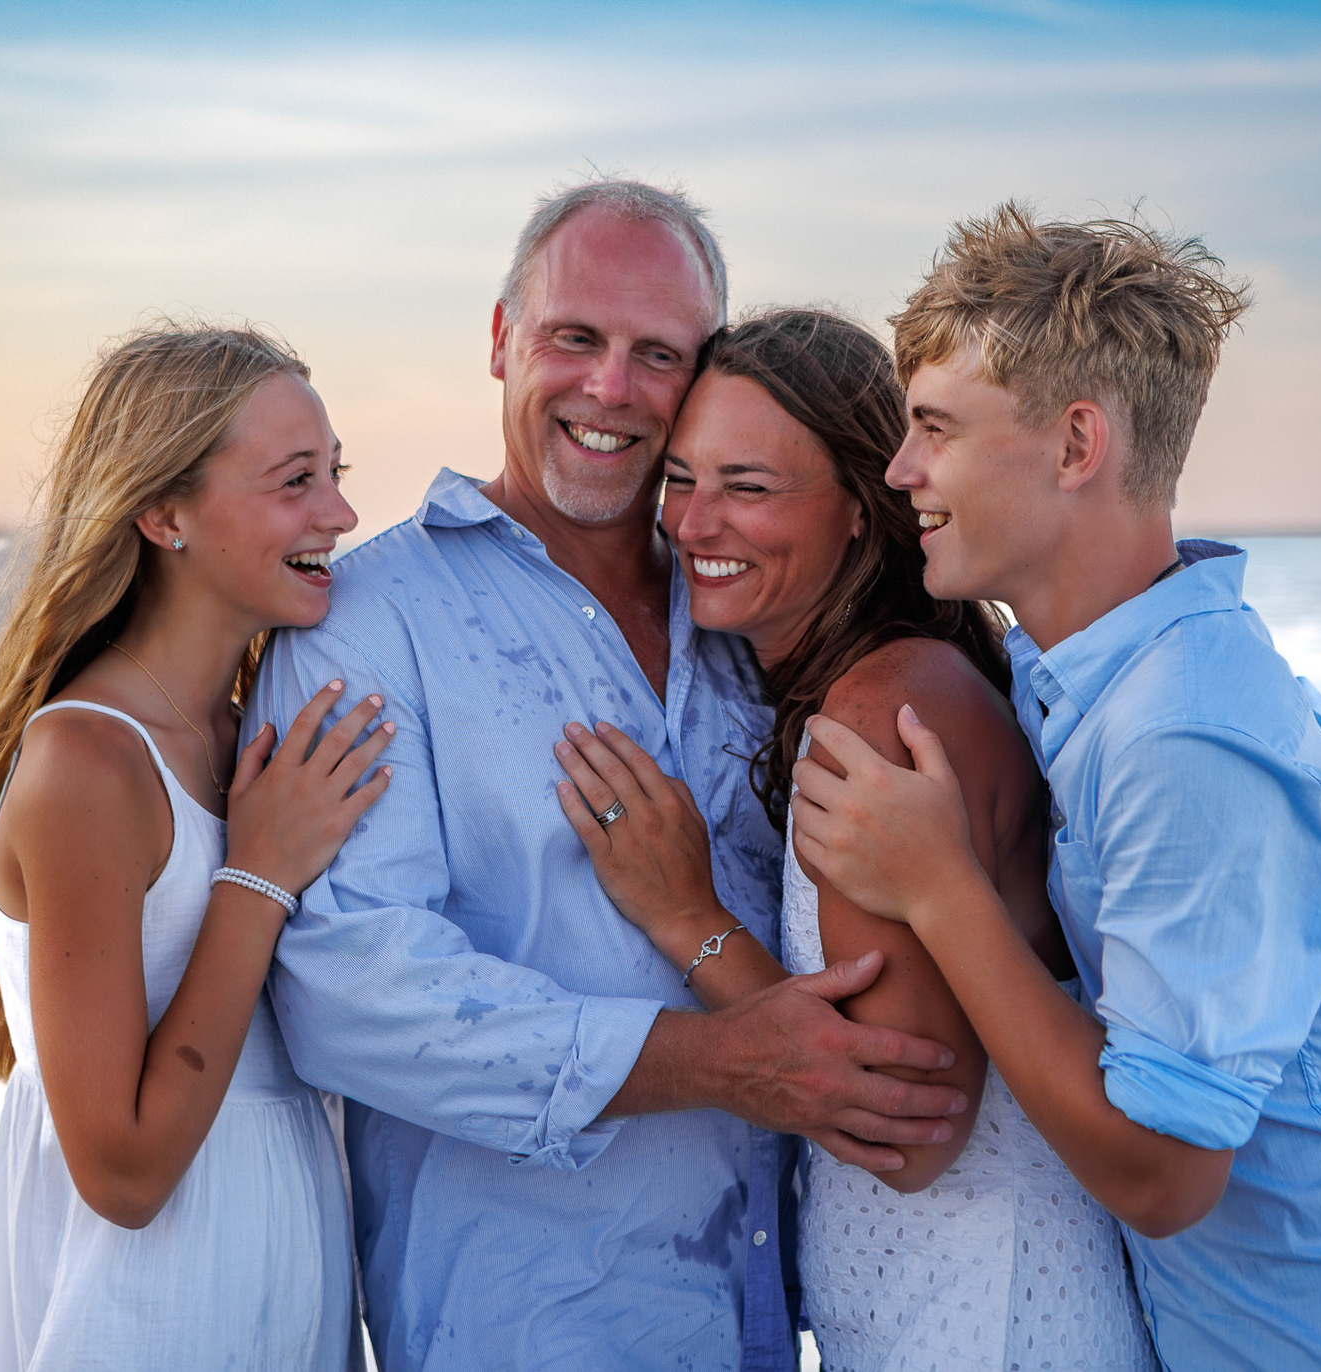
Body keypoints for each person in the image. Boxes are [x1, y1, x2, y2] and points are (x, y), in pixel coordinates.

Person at [785, 206, 1321, 1370]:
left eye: (936, 429)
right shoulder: (1093, 679)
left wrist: (940, 886)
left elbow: (1164, 1174)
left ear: (1076, 445)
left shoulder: (1182, 730)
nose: (902, 472)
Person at [247, 179, 968, 1371]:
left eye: (659, 355)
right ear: (499, 341)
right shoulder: (371, 621)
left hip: (779, 1320)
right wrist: (713, 1063)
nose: (612, 389)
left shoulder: (746, 598)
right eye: (574, 338)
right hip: (524, 1323)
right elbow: (346, 989)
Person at [550, 307, 1159, 1371]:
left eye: (749, 487)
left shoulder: (879, 717)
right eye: (681, 480)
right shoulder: (881, 679)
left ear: (863, 510)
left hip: (992, 1326)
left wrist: (686, 917)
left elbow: (906, 1123)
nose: (693, 525)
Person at [0, 324, 392, 1370]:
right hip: (145, 1313)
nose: (341, 513)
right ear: (164, 512)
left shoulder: (250, 740)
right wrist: (259, 875)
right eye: (295, 480)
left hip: (286, 1280)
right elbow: (125, 1174)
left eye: (336, 473)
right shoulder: (90, 765)